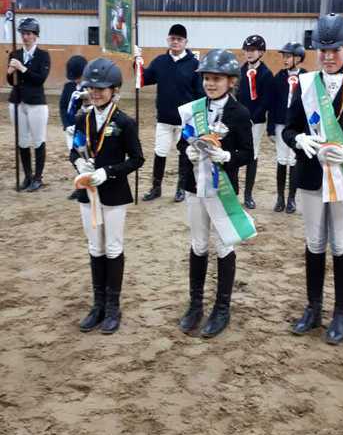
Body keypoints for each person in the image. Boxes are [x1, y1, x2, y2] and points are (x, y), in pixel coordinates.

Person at [283, 13, 343, 345]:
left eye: (334, 50)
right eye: (322, 50)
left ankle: (341, 313)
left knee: (340, 244)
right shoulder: (306, 85)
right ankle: (313, 308)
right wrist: (299, 140)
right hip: (311, 175)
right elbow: (289, 128)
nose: (327, 56)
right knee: (314, 243)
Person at [177, 49, 254, 339]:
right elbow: (182, 142)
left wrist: (227, 157)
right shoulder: (193, 109)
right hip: (194, 186)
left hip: (223, 189)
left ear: (231, 81)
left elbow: (247, 152)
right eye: (207, 78)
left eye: (217, 79)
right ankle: (195, 304)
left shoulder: (240, 113)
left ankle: (222, 308)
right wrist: (187, 151)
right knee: (198, 244)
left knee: (224, 245)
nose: (210, 83)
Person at [70, 58, 144, 334]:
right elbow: (74, 149)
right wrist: (79, 163)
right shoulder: (83, 118)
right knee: (94, 247)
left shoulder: (124, 122)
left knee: (112, 247)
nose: (96, 93)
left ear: (114, 90)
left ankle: (113, 306)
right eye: (92, 88)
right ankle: (98, 304)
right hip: (87, 191)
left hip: (113, 193)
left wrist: (109, 172)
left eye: (101, 88)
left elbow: (137, 159)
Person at [139, 24, 203, 203]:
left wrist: (198, 117)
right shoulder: (160, 61)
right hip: (164, 118)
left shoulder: (195, 65)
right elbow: (144, 79)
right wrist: (137, 63)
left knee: (184, 154)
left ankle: (181, 188)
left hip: (185, 121)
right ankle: (156, 187)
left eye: (179, 39)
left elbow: (199, 93)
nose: (175, 42)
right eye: (172, 38)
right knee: (160, 152)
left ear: (185, 42)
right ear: (168, 40)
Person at [7, 17, 50, 192]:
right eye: (23, 33)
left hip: (36, 103)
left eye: (29, 34)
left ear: (35, 35)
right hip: (17, 101)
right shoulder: (15, 55)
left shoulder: (43, 56)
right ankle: (27, 176)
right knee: (22, 140)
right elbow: (11, 81)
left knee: (38, 139)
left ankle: (38, 177)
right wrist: (10, 72)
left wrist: (22, 68)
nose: (25, 37)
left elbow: (40, 79)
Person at [238, 34, 274, 209]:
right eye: (247, 50)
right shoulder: (240, 71)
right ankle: (233, 190)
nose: (249, 53)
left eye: (253, 50)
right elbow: (237, 95)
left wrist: (252, 118)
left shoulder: (266, 74)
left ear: (261, 52)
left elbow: (266, 100)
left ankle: (248, 194)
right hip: (240, 119)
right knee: (235, 152)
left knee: (252, 154)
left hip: (256, 121)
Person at [271, 41, 307, 214]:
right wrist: (271, 126)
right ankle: (280, 197)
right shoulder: (279, 77)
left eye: (288, 56)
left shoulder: (306, 77)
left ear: (298, 58)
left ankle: (291, 198)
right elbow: (272, 103)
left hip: (297, 126)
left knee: (293, 160)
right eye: (284, 56)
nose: (284, 60)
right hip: (280, 123)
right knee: (281, 159)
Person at [59, 54, 88, 200]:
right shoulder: (68, 87)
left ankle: (86, 184)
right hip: (71, 129)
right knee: (74, 157)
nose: (76, 80)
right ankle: (82, 181)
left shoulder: (90, 87)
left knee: (86, 156)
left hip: (84, 129)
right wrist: (66, 125)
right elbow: (63, 107)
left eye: (78, 77)